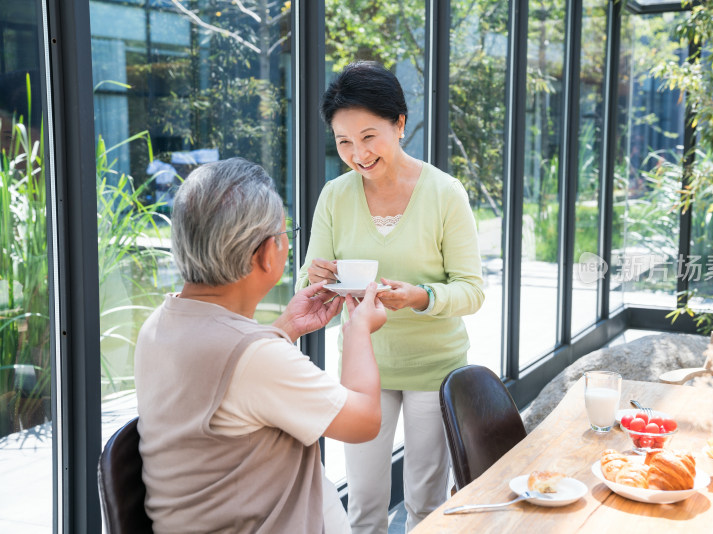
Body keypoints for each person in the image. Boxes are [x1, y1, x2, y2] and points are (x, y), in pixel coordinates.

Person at [134, 157, 387, 534]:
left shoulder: (160, 323)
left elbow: (229, 380)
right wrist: (358, 331)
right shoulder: (255, 357)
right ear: (267, 253)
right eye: (286, 235)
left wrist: (283, 328)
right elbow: (365, 421)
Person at [297, 61, 485, 534]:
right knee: (363, 507)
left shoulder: (445, 193)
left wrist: (421, 297)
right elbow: (308, 284)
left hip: (431, 366)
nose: (357, 153)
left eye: (368, 136)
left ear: (399, 124)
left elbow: (472, 290)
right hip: (363, 371)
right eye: (343, 142)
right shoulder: (334, 197)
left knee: (425, 503)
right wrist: (317, 278)